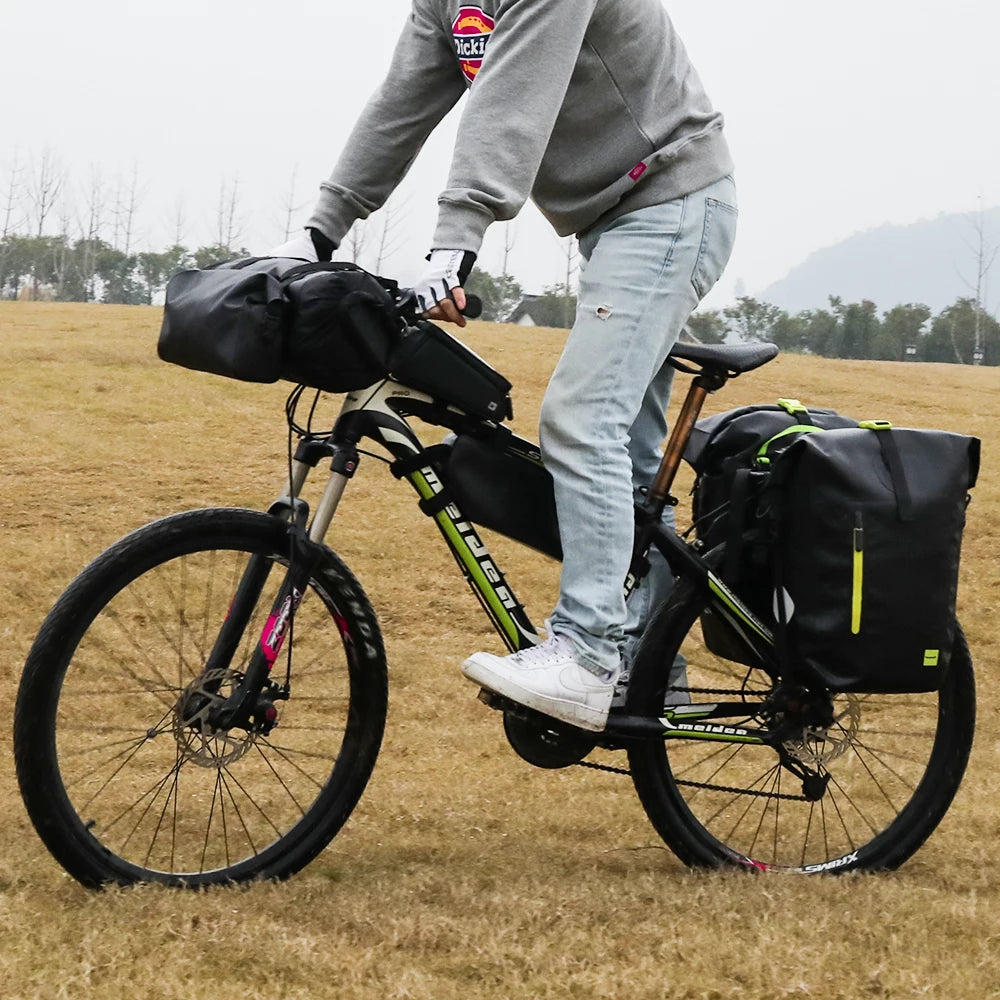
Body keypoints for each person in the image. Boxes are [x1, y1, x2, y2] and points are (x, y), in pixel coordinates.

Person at [274, 0, 738, 733]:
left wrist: (456, 237)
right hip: (612, 221)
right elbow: (401, 104)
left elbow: (512, 99)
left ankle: (587, 657)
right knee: (630, 467)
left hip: (670, 200)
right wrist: (319, 230)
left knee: (582, 421)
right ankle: (651, 670)